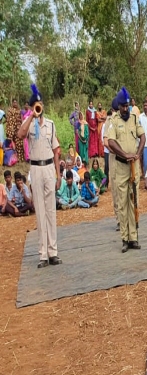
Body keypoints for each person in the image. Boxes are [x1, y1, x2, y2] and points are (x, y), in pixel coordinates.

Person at [16, 84, 61, 267]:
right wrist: (30, 117)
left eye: (41, 104)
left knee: (51, 210)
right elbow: (19, 134)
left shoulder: (50, 124)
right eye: (36, 104)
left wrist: (58, 174)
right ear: (32, 106)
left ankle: (53, 252)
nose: (39, 107)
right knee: (40, 212)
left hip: (49, 167)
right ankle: (43, 254)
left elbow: (56, 150)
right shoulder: (29, 124)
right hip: (35, 168)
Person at [107, 87, 145, 253]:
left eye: (127, 106)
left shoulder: (134, 119)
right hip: (121, 166)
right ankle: (125, 238)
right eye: (122, 106)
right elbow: (110, 142)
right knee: (122, 203)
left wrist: (137, 153)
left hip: (133, 167)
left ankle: (134, 237)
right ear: (119, 106)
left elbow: (142, 136)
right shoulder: (114, 121)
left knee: (133, 201)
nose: (125, 109)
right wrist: (125, 154)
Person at [104, 99, 119, 230]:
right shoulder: (108, 122)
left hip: (125, 158)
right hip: (114, 157)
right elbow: (106, 142)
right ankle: (119, 218)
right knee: (115, 188)